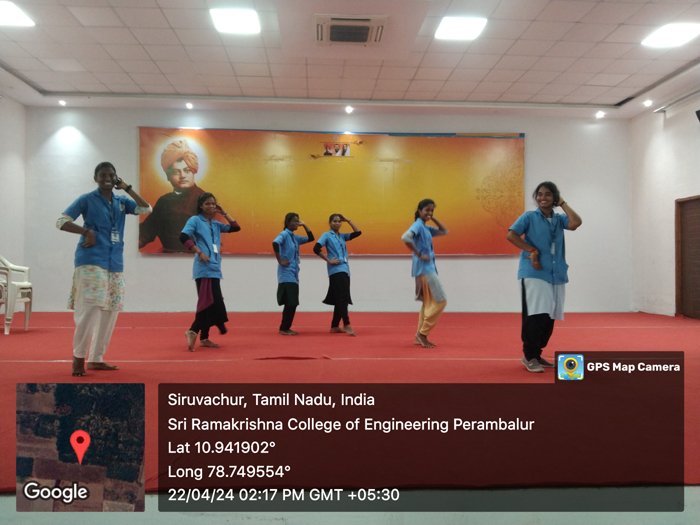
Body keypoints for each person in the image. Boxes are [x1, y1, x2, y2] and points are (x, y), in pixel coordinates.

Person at [57, 162, 152, 376]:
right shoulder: (86, 199)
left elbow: (147, 208)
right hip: (90, 260)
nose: (107, 178)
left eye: (111, 175)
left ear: (116, 178)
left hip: (114, 263)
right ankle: (78, 358)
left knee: (110, 310)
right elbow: (61, 221)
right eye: (103, 175)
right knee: (90, 309)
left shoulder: (122, 201)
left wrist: (127, 188)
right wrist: (85, 232)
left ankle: (96, 358)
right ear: (96, 178)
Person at [506, 181, 582, 373]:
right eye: (539, 194)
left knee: (549, 315)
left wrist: (562, 203)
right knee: (536, 315)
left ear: (554, 197)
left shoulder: (559, 219)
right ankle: (529, 356)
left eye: (548, 194)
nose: (543, 198)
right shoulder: (529, 217)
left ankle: (537, 353)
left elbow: (576, 223)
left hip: (556, 273)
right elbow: (511, 235)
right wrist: (531, 250)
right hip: (534, 272)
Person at [180, 193, 240, 351]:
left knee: (210, 303)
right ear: (201, 206)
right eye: (208, 203)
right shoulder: (195, 220)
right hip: (204, 268)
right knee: (209, 302)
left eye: (213, 203)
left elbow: (236, 227)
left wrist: (224, 212)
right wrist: (199, 252)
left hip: (215, 268)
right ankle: (193, 330)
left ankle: (204, 337)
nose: (211, 206)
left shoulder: (215, 224)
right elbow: (183, 236)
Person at [139, 139, 205, 252]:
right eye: (176, 172)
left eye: (187, 170)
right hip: (167, 258)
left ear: (194, 171)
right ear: (168, 176)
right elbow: (145, 233)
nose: (182, 176)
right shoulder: (164, 201)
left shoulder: (205, 200)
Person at [401, 199, 448, 348]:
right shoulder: (418, 225)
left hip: (426, 269)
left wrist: (432, 218)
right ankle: (423, 334)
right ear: (419, 210)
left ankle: (419, 335)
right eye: (427, 210)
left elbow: (444, 231)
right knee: (441, 301)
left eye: (432, 210)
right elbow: (405, 237)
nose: (430, 213)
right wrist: (419, 253)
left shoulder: (425, 228)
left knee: (427, 304)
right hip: (425, 270)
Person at [313, 214, 362, 335]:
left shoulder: (342, 236)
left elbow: (358, 233)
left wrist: (348, 220)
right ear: (330, 223)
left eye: (339, 221)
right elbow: (316, 248)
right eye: (334, 221)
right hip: (336, 270)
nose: (337, 223)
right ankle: (346, 324)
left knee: (340, 298)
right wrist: (328, 260)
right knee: (342, 298)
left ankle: (334, 326)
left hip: (345, 269)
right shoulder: (326, 235)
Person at [272, 213, 314, 335]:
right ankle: (284, 328)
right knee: (291, 302)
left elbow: (311, 238)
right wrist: (280, 260)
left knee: (292, 303)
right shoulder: (284, 234)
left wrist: (304, 225)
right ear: (288, 222)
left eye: (298, 221)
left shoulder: (295, 238)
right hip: (286, 274)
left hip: (294, 273)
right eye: (295, 221)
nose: (297, 223)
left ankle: (285, 327)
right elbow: (275, 243)